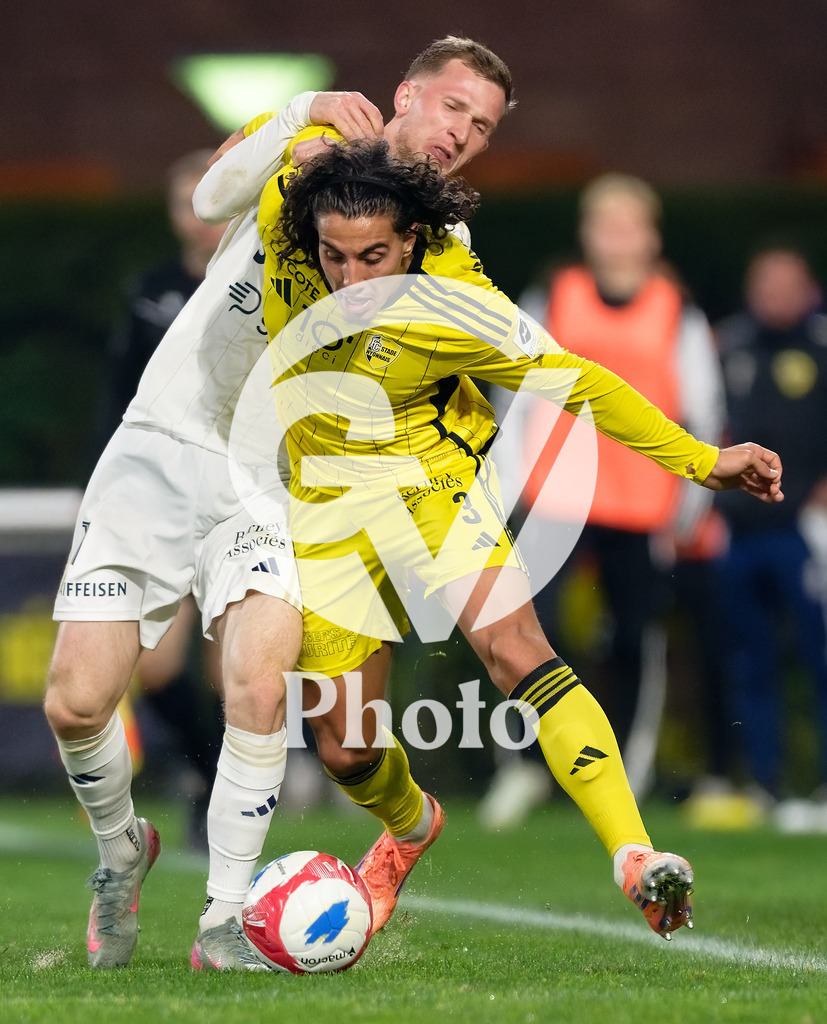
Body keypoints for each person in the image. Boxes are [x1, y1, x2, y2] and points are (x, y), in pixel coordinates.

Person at [43, 36, 519, 972]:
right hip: (161, 445)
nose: (462, 135)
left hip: (271, 476)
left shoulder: (442, 243)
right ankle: (121, 851)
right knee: (74, 704)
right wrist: (296, 120)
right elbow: (208, 200)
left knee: (257, 690)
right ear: (405, 97)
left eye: (483, 126)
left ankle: (224, 920)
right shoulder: (311, 148)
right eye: (453, 108)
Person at [247, 138, 783, 942]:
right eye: (334, 257)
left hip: (435, 490)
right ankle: (409, 824)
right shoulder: (282, 222)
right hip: (326, 512)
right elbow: (229, 168)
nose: (350, 280)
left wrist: (702, 461)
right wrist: (302, 112)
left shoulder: (454, 308)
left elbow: (581, 381)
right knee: (345, 749)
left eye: (373, 257)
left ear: (415, 243)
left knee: (514, 649)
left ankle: (633, 854)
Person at [480, 174, 726, 823]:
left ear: (650, 238)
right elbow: (513, 396)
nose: (616, 239)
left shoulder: (677, 311)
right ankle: (528, 768)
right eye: (604, 225)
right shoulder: (553, 296)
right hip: (554, 495)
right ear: (586, 236)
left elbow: (702, 412)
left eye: (629, 226)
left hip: (641, 505)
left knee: (632, 642)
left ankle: (622, 768)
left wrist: (687, 506)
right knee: (533, 631)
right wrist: (504, 490)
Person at [100, 150, 229, 850]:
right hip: (162, 497)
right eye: (188, 203)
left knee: (233, 672)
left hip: (240, 497)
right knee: (154, 666)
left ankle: (234, 809)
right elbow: (117, 399)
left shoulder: (265, 285)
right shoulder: (150, 291)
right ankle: (204, 773)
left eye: (213, 202)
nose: (201, 217)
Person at [714, 246, 827, 814]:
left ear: (809, 288)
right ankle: (766, 782)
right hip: (740, 531)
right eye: (765, 283)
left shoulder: (822, 345)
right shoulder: (729, 345)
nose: (774, 295)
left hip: (807, 528)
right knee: (749, 660)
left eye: (787, 283)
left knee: (821, 655)